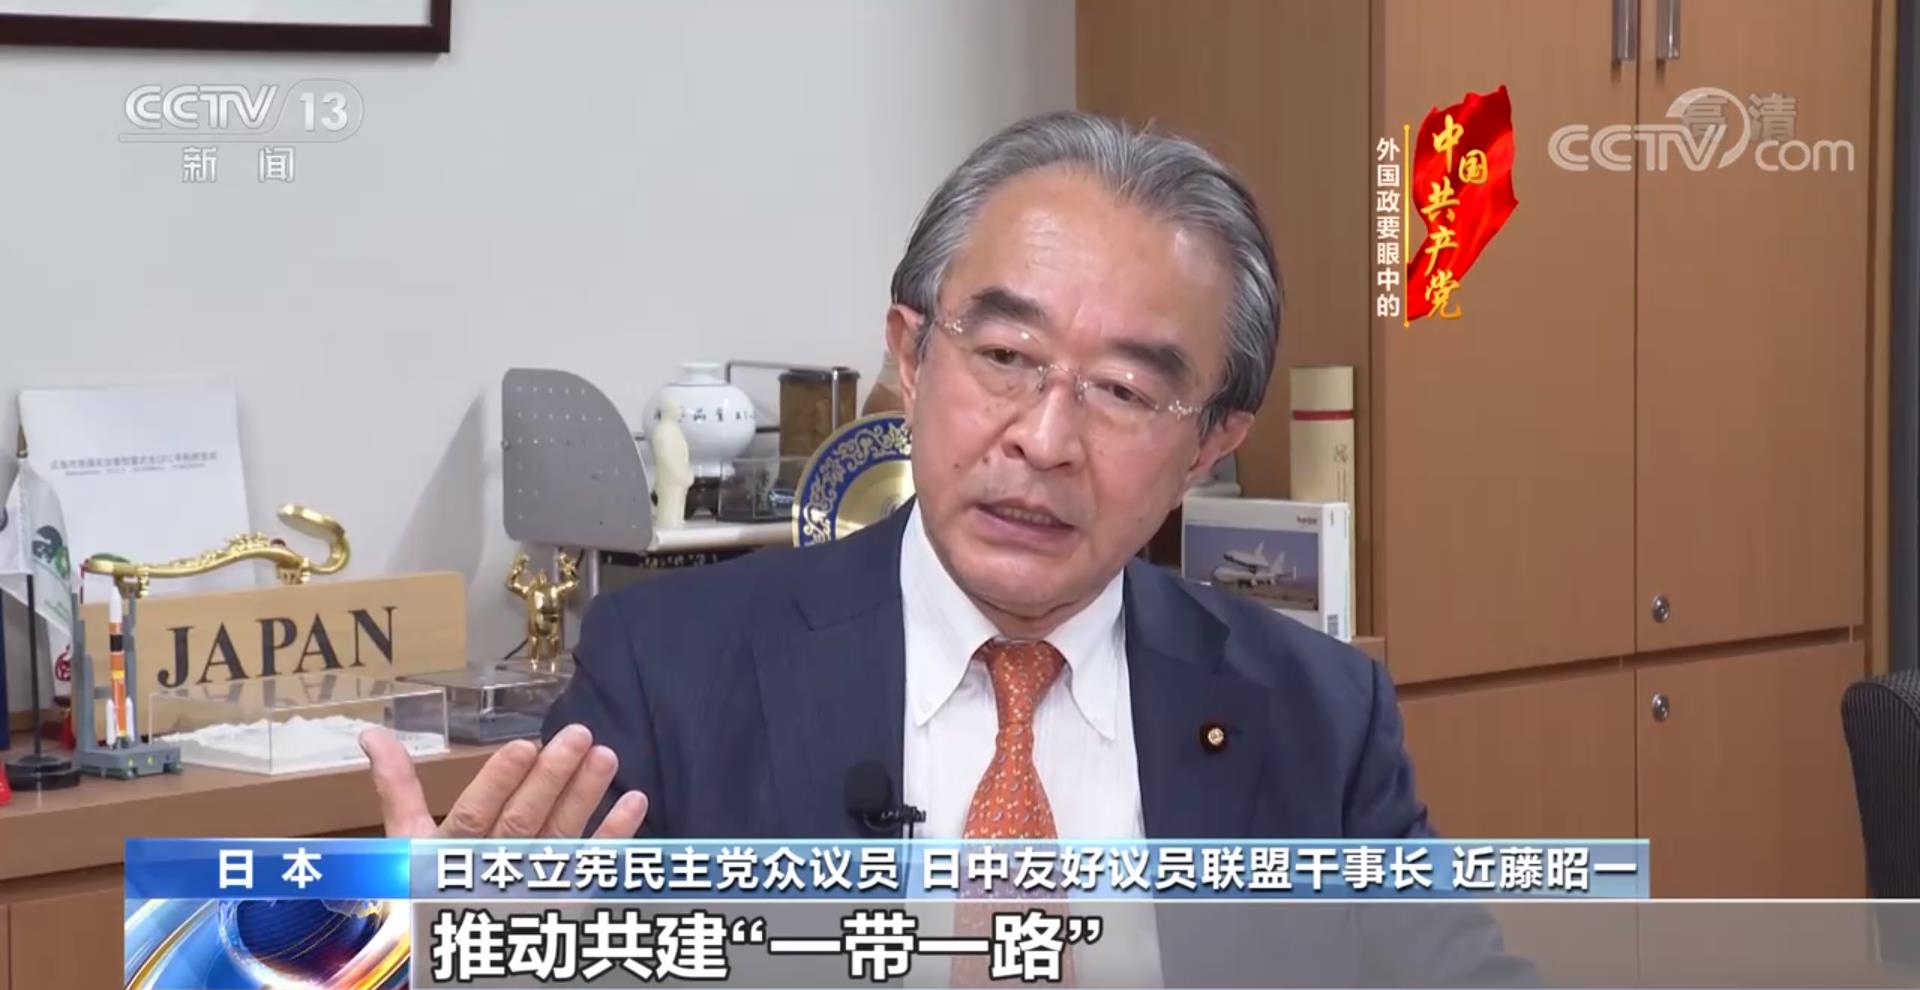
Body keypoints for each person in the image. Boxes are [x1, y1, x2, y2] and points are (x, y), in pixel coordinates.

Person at [362, 111, 1527, 984]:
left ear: (1211, 443)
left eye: (1125, 391)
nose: (1045, 440)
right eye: (1005, 359)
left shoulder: (1319, 714)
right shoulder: (672, 671)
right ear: (912, 359)